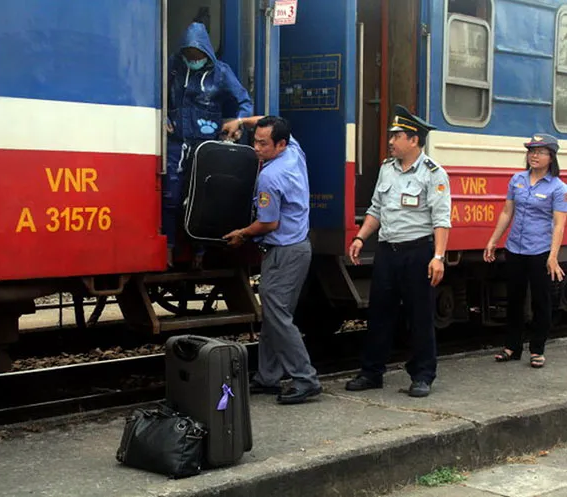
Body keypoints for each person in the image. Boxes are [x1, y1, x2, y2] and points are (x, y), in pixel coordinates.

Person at [345, 105, 451, 398]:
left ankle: (423, 375)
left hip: (418, 252)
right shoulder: (386, 169)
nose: (391, 141)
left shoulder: (434, 174)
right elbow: (376, 209)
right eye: (392, 136)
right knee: (379, 313)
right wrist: (360, 237)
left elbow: (442, 220)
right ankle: (372, 372)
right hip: (387, 252)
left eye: (398, 136)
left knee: (419, 315)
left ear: (414, 140)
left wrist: (438, 257)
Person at [224, 115, 321, 405]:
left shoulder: (270, 176)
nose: (256, 147)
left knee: (277, 315)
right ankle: (268, 376)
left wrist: (241, 234)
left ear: (279, 144)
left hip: (284, 252)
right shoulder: (294, 150)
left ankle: (305, 379)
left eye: (262, 144)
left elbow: (268, 224)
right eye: (254, 140)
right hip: (297, 248)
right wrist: (243, 120)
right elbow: (270, 120)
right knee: (276, 317)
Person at [164, 22, 253, 267]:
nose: (193, 59)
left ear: (206, 52)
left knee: (204, 197)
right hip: (177, 143)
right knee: (171, 196)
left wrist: (238, 122)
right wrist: (161, 116)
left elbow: (244, 100)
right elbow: (151, 91)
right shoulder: (173, 67)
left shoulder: (221, 73)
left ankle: (200, 250)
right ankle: (169, 247)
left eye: (198, 55)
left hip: (207, 146)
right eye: (189, 54)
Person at [484, 133, 567, 368]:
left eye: (540, 152)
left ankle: (537, 349)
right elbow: (506, 212)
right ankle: (512, 346)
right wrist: (493, 240)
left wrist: (553, 256)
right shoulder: (517, 180)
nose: (534, 155)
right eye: (531, 151)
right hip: (515, 248)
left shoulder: (557, 188)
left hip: (540, 250)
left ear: (551, 157)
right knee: (514, 299)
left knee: (541, 301)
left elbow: (559, 224)